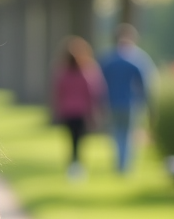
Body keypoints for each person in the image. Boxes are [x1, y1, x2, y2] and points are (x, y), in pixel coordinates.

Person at [99, 23, 155, 173]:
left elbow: (99, 83)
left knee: (117, 134)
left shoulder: (107, 59)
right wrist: (147, 105)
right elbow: (146, 84)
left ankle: (120, 164)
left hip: (112, 103)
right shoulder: (137, 59)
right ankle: (124, 166)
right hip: (130, 103)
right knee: (128, 135)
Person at [51, 36, 106, 180]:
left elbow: (58, 92)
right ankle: (77, 167)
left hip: (68, 112)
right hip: (81, 112)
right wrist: (94, 113)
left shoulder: (62, 73)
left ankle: (73, 166)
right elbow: (92, 93)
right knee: (79, 141)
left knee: (72, 140)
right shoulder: (86, 72)